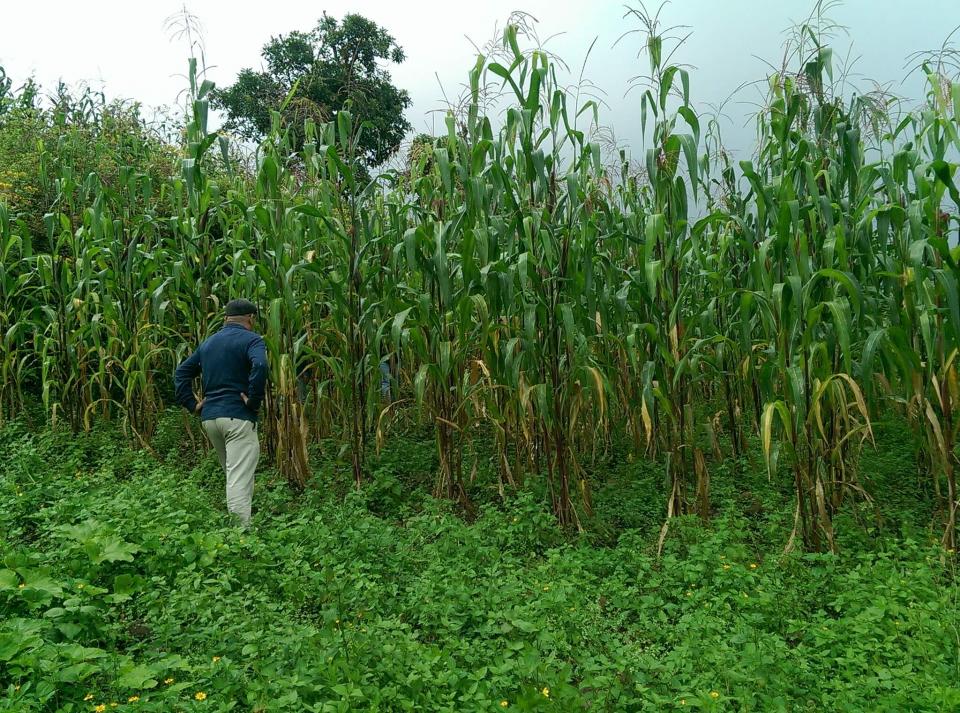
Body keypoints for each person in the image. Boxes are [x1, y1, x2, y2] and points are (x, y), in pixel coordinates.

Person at [174, 299, 268, 527]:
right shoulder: (252, 340)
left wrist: (192, 404)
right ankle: (240, 535)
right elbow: (260, 366)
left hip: (211, 419)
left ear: (225, 319)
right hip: (237, 417)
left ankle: (239, 524)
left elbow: (181, 373)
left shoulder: (208, 343)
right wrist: (253, 401)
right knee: (238, 477)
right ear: (251, 318)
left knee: (234, 474)